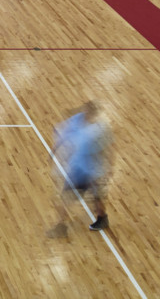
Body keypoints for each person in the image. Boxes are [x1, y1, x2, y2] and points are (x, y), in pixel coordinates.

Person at [49, 101, 112, 237]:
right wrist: (54, 150)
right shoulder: (77, 120)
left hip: (91, 171)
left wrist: (108, 168)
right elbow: (64, 134)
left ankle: (101, 219)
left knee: (93, 197)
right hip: (79, 169)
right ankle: (62, 225)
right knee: (69, 197)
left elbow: (108, 148)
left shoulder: (100, 129)